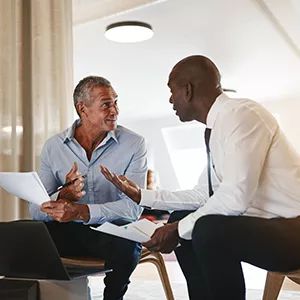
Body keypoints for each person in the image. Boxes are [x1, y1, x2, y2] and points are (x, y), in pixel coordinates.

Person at [100, 55, 300, 300]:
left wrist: (178, 230)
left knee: (205, 229)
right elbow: (204, 195)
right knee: (184, 219)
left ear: (188, 89)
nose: (170, 99)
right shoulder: (216, 130)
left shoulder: (241, 115)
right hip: (268, 227)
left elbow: (235, 197)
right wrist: (142, 195)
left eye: (172, 91)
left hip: (293, 229)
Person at [29, 75, 147, 300]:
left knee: (128, 240)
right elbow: (35, 209)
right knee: (22, 233)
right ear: (83, 109)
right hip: (68, 231)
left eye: (115, 102)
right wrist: (64, 195)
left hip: (110, 233)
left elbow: (133, 209)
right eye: (106, 104)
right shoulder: (53, 147)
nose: (115, 110)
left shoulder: (134, 144)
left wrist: (83, 212)